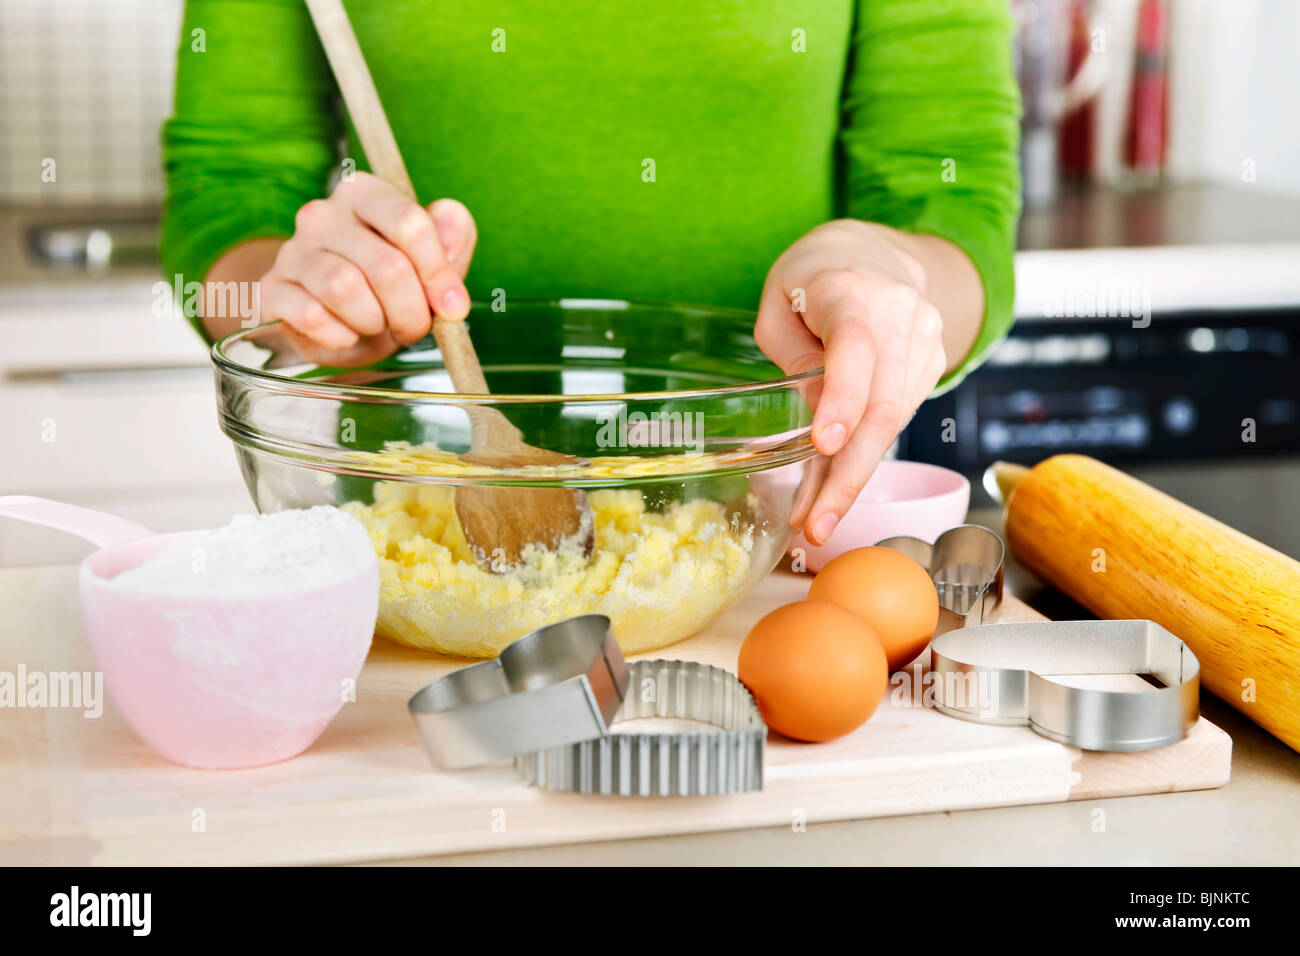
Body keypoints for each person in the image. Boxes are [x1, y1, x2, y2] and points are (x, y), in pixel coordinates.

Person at [162, 0, 1020, 547]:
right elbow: (227, 198)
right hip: (400, 535)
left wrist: (882, 269)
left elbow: (955, 209)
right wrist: (305, 294)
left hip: (777, 540)